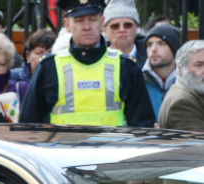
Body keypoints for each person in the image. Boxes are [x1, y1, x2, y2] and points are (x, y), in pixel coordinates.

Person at [19, 0, 155, 127]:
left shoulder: (125, 66)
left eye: (92, 19)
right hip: (61, 151)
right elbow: (29, 126)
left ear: (102, 22)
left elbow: (143, 127)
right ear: (67, 25)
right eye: (79, 20)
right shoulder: (49, 67)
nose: (86, 27)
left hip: (112, 150)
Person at [158, 40, 204, 132]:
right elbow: (198, 144)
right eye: (199, 65)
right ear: (181, 69)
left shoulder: (194, 92)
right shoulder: (182, 102)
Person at [143, 25, 181, 121]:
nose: (153, 49)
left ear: (174, 48)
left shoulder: (189, 81)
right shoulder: (137, 80)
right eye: (149, 44)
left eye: (161, 43)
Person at [10, 28, 56, 95]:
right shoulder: (13, 77)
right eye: (39, 53)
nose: (45, 57)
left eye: (50, 53)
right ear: (28, 56)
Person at [103, 0, 147, 65]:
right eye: (115, 26)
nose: (121, 30)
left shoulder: (151, 58)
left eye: (128, 25)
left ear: (136, 27)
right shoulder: (96, 59)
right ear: (105, 30)